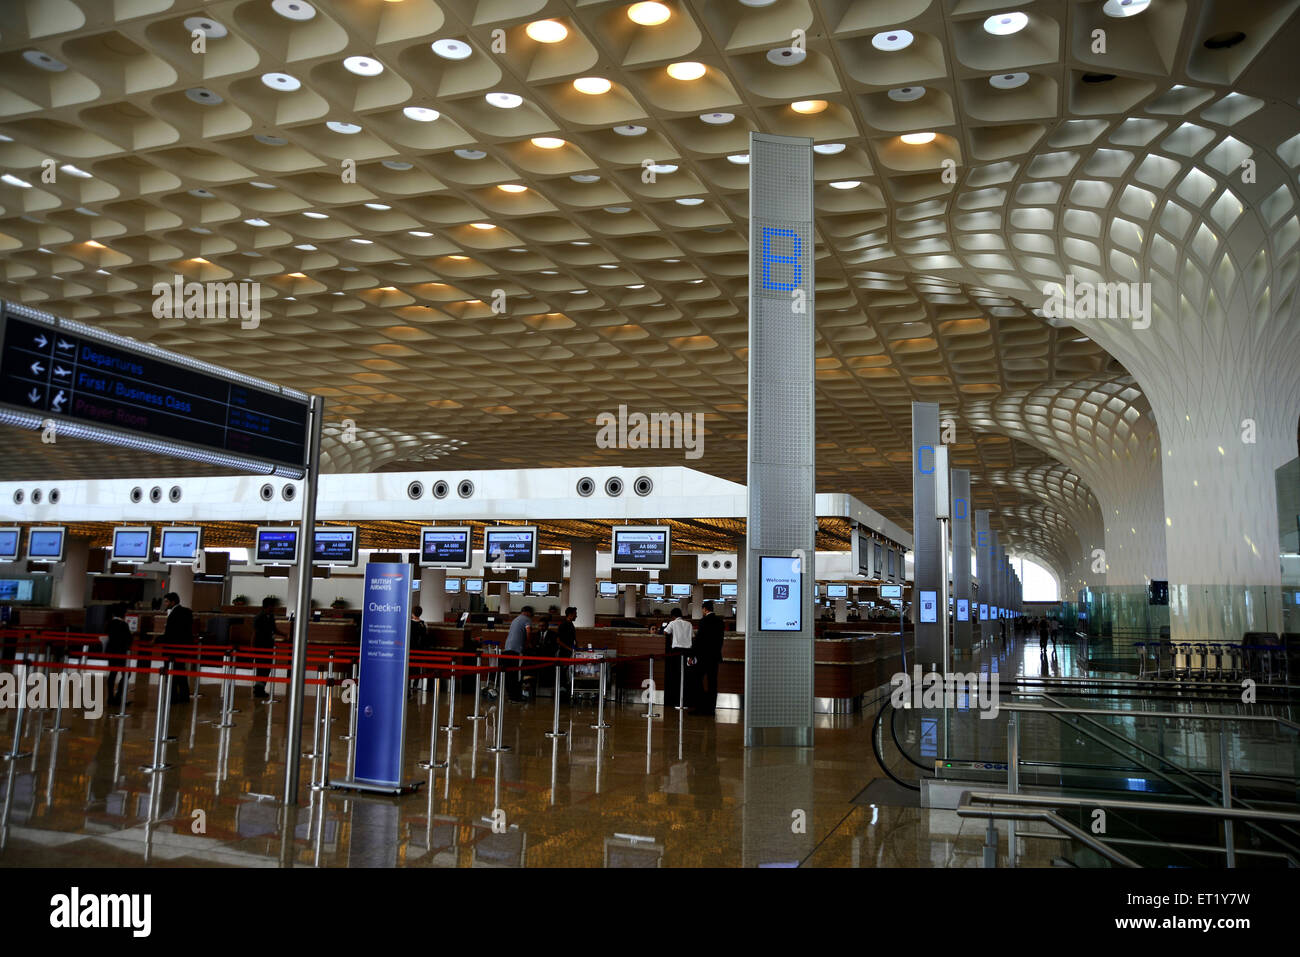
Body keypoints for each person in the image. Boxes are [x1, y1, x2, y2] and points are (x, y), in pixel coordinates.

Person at [690, 602, 724, 716]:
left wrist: (692, 655)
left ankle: (701, 707)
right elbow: (720, 640)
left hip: (703, 657)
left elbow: (699, 640)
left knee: (695, 678)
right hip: (715, 657)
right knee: (712, 683)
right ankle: (711, 709)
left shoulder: (704, 621)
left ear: (704, 609)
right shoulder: (720, 621)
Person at [162, 591, 194, 703]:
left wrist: (158, 640)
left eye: (166, 601)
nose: (165, 604)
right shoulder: (187, 612)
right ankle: (184, 696)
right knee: (180, 672)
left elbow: (170, 633)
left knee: (172, 673)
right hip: (182, 649)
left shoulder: (175, 614)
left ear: (173, 602)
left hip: (172, 648)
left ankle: (173, 697)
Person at [252, 597, 286, 699]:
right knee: (261, 668)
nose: (274, 608)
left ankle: (260, 688)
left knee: (266, 668)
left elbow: (274, 629)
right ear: (268, 606)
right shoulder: (259, 617)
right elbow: (254, 633)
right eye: (273, 606)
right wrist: (252, 648)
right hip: (260, 646)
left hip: (268, 646)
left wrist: (284, 634)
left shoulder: (271, 616)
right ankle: (258, 690)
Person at [661, 607, 694, 706]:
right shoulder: (689, 624)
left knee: (676, 676)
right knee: (686, 677)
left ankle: (676, 700)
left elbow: (665, 632)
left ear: (673, 616)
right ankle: (686, 700)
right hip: (688, 652)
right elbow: (693, 637)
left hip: (676, 653)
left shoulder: (673, 623)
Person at [503, 605, 533, 702]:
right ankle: (516, 697)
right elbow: (528, 632)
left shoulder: (515, 620)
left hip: (507, 648)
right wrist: (528, 644)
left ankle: (510, 697)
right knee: (517, 674)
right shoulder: (527, 619)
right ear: (528, 613)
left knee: (509, 674)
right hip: (516, 650)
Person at [105, 603, 132, 706]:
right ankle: (118, 696)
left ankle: (110, 698)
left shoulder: (109, 623)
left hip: (111, 652)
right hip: (121, 653)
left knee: (112, 674)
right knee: (126, 674)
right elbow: (129, 639)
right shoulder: (123, 625)